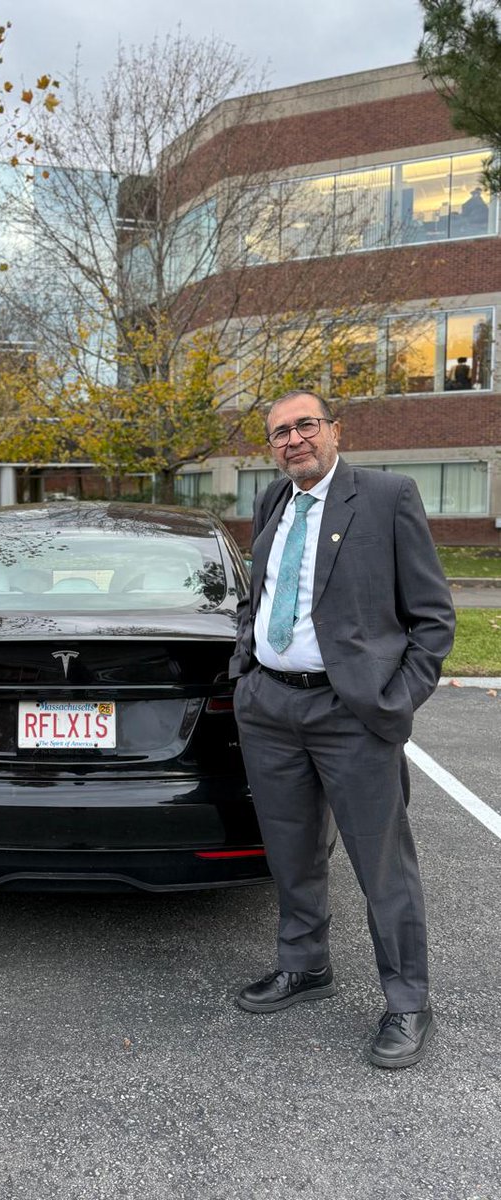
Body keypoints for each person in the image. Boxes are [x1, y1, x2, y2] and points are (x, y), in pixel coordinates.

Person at [229, 390, 455, 1069]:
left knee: (382, 868)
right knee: (293, 856)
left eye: (305, 426)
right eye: (279, 433)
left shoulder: (387, 498)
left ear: (334, 431)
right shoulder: (274, 501)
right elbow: (260, 595)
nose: (293, 440)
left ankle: (408, 1002)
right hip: (270, 710)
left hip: (351, 715)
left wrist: (395, 700)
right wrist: (246, 666)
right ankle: (306, 966)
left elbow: (434, 617)